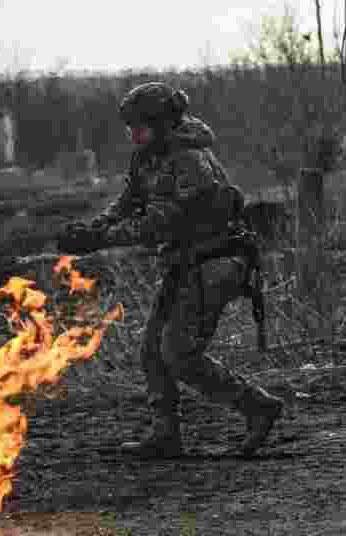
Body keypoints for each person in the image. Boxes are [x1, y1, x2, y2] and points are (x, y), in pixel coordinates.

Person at [56, 82, 284, 459]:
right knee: (151, 352)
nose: (133, 134)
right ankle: (165, 434)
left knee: (178, 354)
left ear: (163, 123)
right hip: (184, 263)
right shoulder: (148, 156)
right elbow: (128, 202)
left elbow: (160, 221)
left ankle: (257, 407)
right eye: (130, 127)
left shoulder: (190, 160)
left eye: (140, 126)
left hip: (216, 263)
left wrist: (101, 240)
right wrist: (92, 228)